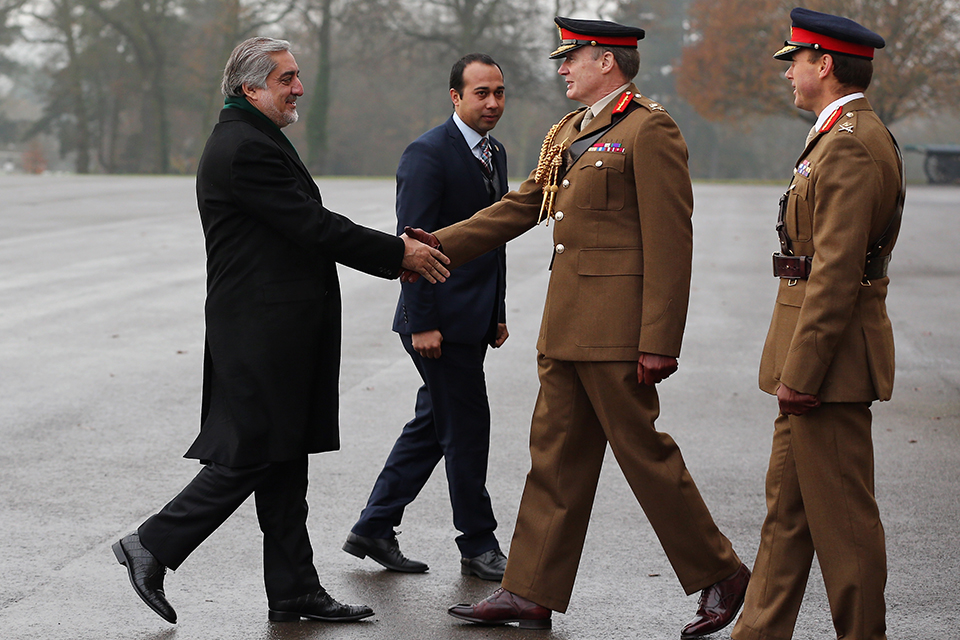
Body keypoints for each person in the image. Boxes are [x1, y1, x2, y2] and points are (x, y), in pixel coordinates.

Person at [411, 16, 749, 635]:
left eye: (574, 57)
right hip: (566, 327)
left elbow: (671, 244)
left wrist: (660, 340)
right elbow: (521, 206)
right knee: (555, 462)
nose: (562, 68)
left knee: (645, 457)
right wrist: (437, 246)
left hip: (619, 332)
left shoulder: (650, 130)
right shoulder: (571, 130)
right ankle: (529, 592)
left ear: (608, 62)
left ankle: (722, 573)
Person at [111, 36, 449, 625]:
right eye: (287, 78)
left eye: (296, 76)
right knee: (251, 457)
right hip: (260, 335)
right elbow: (313, 226)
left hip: (276, 331)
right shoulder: (245, 149)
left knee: (285, 459)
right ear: (251, 88)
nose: (298, 88)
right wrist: (398, 254)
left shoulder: (253, 139)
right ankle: (153, 544)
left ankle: (294, 591)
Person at [731, 9, 903, 640]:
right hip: (809, 363)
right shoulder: (837, 134)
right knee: (788, 517)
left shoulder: (852, 142)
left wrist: (801, 374)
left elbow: (834, 273)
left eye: (795, 61)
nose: (790, 74)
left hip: (826, 368)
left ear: (824, 66)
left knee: (846, 526)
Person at [343, 53, 511, 581]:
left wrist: (497, 313)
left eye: (499, 92)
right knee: (466, 427)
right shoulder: (427, 154)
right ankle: (479, 544)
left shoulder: (496, 153)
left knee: (433, 426)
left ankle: (373, 527)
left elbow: (492, 242)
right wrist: (421, 322)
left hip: (474, 319)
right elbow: (409, 246)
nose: (492, 103)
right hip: (437, 321)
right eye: (480, 93)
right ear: (455, 97)